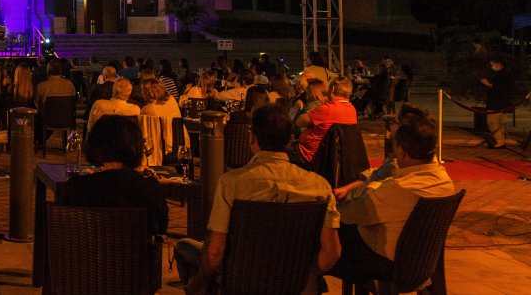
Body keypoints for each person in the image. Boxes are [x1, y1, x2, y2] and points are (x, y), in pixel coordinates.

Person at [177, 104, 341, 294]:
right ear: (289, 140)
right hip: (296, 286)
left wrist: (200, 282)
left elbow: (215, 251)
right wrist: (302, 274)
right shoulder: (319, 186)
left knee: (184, 248)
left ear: (252, 138)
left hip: (242, 283)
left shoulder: (232, 183)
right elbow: (332, 252)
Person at [329, 113, 455, 285]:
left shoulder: (398, 189)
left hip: (386, 262)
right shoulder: (444, 180)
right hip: (422, 259)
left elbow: (348, 214)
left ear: (402, 153)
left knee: (322, 243)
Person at [60, 115, 169, 234]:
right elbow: (161, 230)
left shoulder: (77, 186)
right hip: (133, 251)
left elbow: (66, 230)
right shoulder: (149, 189)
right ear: (135, 146)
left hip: (85, 251)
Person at [295, 78, 357, 163]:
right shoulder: (352, 110)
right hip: (337, 155)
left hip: (311, 154)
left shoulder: (326, 109)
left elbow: (299, 122)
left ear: (333, 89)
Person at [481, 56, 519, 148]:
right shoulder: (506, 73)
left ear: (498, 64)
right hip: (503, 103)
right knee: (501, 122)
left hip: (496, 103)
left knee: (493, 121)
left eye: (493, 64)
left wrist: (489, 84)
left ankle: (500, 140)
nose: (492, 66)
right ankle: (501, 140)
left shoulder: (502, 75)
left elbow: (500, 88)